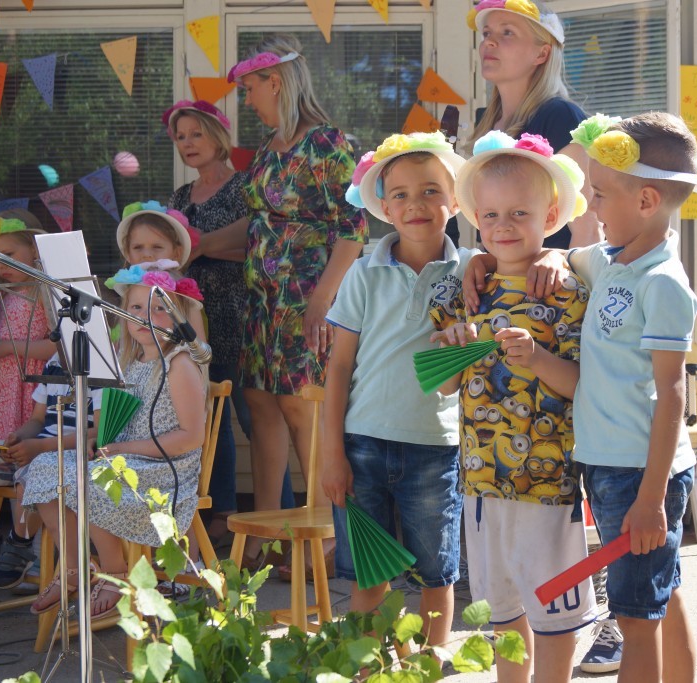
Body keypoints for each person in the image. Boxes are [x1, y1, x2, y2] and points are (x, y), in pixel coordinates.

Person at [431, 130, 598, 682]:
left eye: (520, 213)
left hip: (547, 482)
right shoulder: (464, 292)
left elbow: (581, 385)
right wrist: (451, 349)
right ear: (476, 217)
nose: (504, 226)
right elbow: (447, 385)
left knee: (553, 610)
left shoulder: (568, 289)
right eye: (493, 214)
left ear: (551, 215)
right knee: (503, 611)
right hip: (480, 480)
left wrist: (539, 359)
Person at [558, 112, 697, 682]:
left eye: (599, 195)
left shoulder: (662, 281)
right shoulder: (615, 261)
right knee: (661, 600)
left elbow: (672, 392)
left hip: (643, 474)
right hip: (611, 464)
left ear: (646, 199)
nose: (591, 207)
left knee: (636, 619)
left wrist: (650, 499)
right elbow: (568, 260)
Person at [322, 131, 471, 651]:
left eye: (432, 191)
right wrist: (331, 453)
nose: (416, 205)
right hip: (361, 446)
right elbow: (338, 368)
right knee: (370, 576)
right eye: (402, 194)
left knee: (436, 573)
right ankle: (373, 665)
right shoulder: (363, 274)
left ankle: (427, 662)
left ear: (456, 201)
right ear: (384, 208)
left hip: (435, 447)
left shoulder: (474, 270)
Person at [225, 35, 367, 574]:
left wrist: (323, 299)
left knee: (300, 408)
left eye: (249, 87)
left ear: (276, 82)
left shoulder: (327, 142)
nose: (246, 98)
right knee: (260, 407)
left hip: (306, 297)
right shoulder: (269, 146)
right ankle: (264, 532)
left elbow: (353, 228)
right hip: (262, 301)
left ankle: (324, 535)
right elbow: (258, 220)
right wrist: (194, 243)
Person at [22, 271, 206, 618]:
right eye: (135, 307)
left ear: (179, 315)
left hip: (165, 470)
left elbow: (191, 437)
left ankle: (116, 571)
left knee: (94, 480)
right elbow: (113, 427)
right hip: (121, 458)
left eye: (158, 309)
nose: (144, 317)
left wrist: (122, 450)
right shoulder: (127, 363)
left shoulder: (179, 365)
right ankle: (76, 569)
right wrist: (97, 444)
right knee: (48, 467)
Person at [163, 99, 259, 546]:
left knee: (254, 417)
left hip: (240, 315)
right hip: (194, 321)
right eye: (180, 137)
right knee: (208, 417)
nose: (186, 143)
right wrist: (201, 248)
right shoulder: (180, 197)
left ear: (218, 136)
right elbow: (169, 254)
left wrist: (199, 246)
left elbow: (259, 248)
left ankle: (270, 520)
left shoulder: (247, 186)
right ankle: (221, 511)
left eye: (195, 134)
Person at [453, 0, 600, 250]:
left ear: (542, 53)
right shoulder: (487, 124)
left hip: (550, 284)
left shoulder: (561, 117)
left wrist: (570, 284)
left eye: (507, 32)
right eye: (487, 33)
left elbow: (588, 232)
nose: (489, 41)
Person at [0, 354, 102, 593]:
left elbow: (100, 432)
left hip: (75, 451)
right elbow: (38, 420)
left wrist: (38, 448)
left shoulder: (102, 362)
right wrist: (19, 438)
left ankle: (20, 543)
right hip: (40, 445)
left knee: (37, 469)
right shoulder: (54, 362)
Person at [0, 216, 53, 443]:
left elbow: (61, 346)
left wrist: (6, 348)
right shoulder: (0, 293)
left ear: (34, 249)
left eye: (8, 255)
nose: (2, 265)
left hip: (27, 385)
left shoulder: (43, 291)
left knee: (15, 448)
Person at [115, 200, 207, 347]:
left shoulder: (181, 293)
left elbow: (199, 347)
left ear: (176, 253)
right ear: (128, 252)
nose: (147, 254)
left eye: (157, 247)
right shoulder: (129, 289)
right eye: (138, 247)